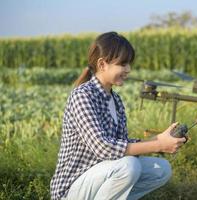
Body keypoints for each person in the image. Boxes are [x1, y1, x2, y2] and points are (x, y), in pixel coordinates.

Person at [50, 32, 186, 200]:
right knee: (128, 166)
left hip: (103, 175)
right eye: (123, 64)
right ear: (102, 64)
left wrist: (160, 139)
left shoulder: (116, 100)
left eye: (129, 64)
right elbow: (104, 147)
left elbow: (123, 145)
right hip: (72, 186)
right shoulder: (83, 95)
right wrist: (158, 146)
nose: (128, 69)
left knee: (161, 169)